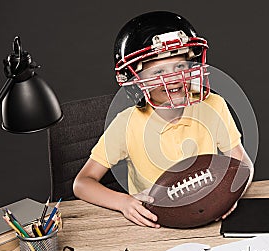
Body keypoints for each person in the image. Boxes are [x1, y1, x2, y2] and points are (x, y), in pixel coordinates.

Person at [73, 11, 254, 228]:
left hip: (212, 218)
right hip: (154, 225)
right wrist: (124, 202)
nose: (174, 78)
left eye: (180, 66)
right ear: (136, 81)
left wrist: (231, 194)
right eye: (159, 72)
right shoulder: (126, 124)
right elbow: (82, 183)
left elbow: (243, 164)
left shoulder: (213, 105)